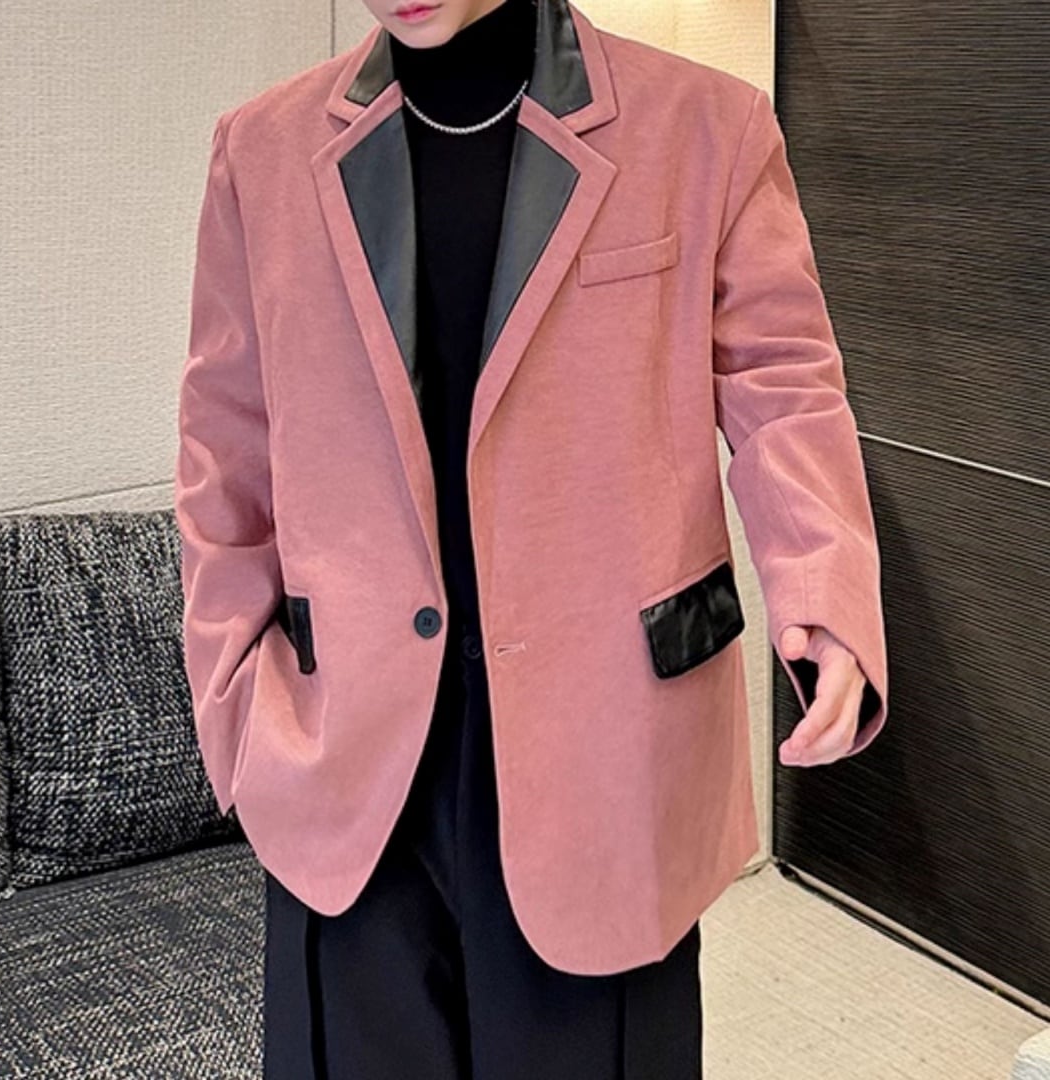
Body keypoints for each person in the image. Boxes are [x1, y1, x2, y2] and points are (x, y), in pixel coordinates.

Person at [173, 0, 889, 1076]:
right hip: (346, 756)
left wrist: (824, 594)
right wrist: (233, 700)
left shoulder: (707, 127)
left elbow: (784, 390)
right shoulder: (260, 153)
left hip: (605, 753)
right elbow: (225, 447)